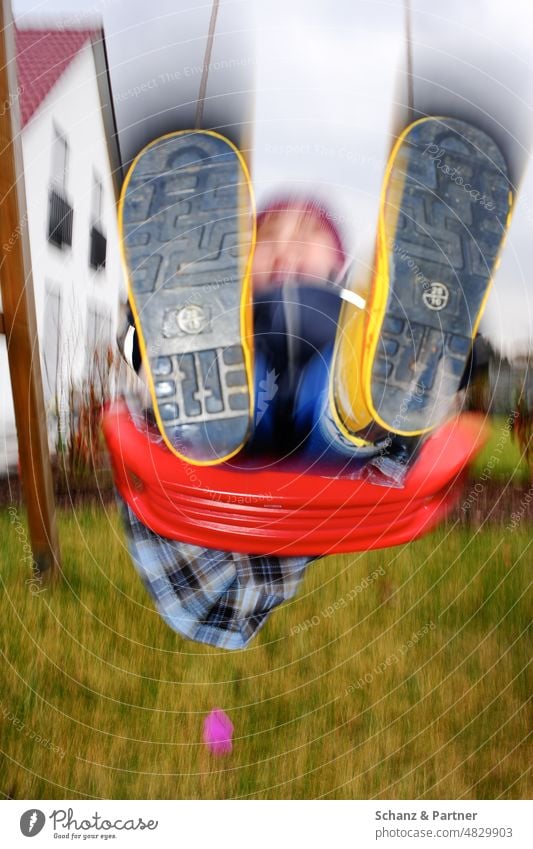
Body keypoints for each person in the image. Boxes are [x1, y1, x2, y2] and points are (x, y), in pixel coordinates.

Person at [115, 118, 511, 649]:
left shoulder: (341, 312)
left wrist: (449, 363)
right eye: (266, 238)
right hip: (237, 408)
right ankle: (202, 403)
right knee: (240, 378)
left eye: (307, 237)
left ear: (338, 264)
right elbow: (139, 357)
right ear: (229, 261)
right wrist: (149, 346)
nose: (285, 248)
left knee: (339, 392)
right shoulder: (235, 309)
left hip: (326, 424)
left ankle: (376, 392)